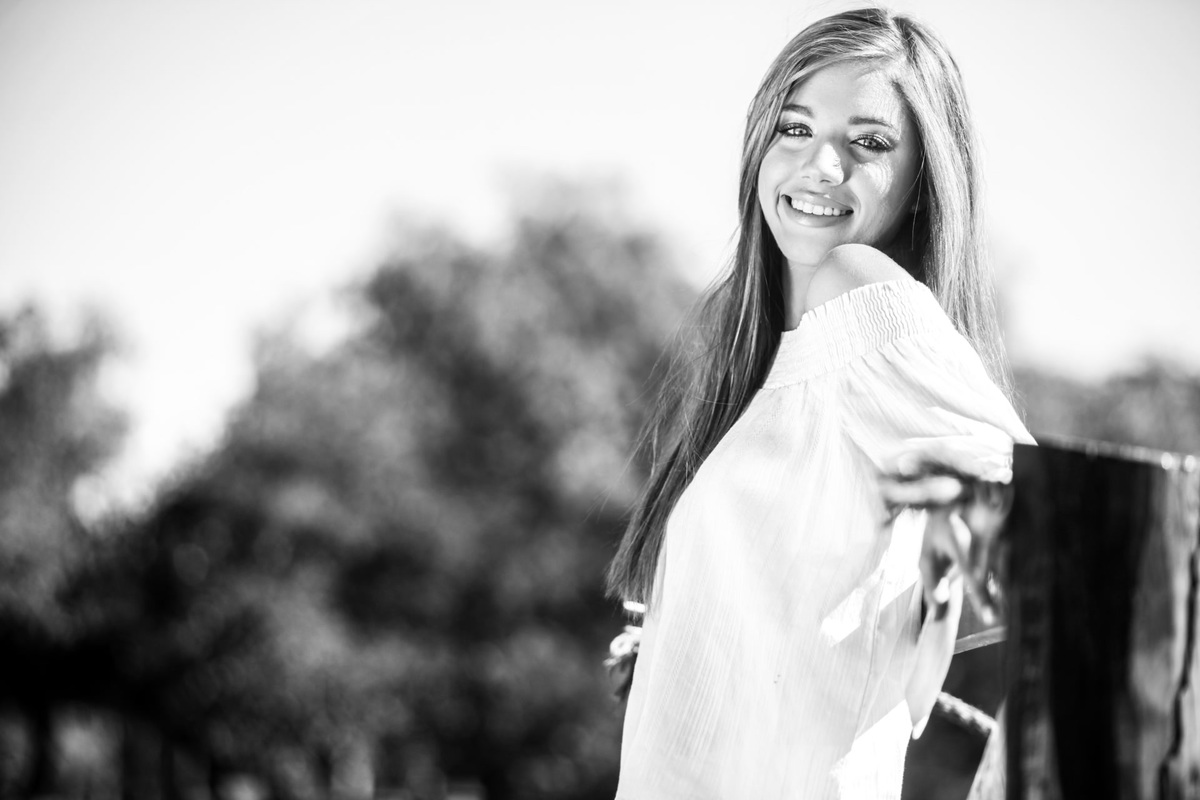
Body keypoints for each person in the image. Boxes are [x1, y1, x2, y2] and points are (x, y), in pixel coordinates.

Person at [605, 7, 1035, 799]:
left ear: (923, 180)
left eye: (868, 143)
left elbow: (1041, 516)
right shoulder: (777, 356)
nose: (820, 165)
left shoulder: (859, 294)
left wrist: (973, 525)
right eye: (795, 128)